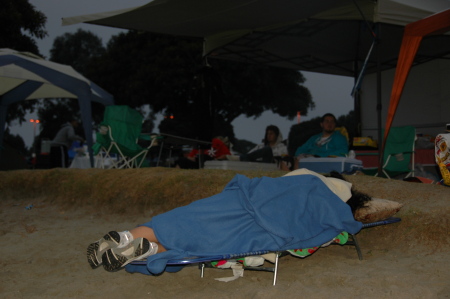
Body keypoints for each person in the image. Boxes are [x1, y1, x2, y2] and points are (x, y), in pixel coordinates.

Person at [87, 169, 366, 275]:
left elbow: (271, 183)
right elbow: (336, 221)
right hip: (259, 222)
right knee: (204, 246)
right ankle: (150, 250)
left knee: (183, 217)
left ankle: (126, 237)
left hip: (238, 199)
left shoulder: (305, 176)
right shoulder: (329, 195)